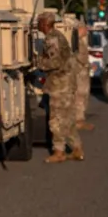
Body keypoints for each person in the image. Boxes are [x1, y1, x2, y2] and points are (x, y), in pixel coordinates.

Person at [34, 11, 82, 162]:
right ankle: (77, 149)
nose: (37, 24)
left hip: (60, 84)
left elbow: (55, 62)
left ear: (45, 24)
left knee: (56, 120)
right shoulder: (58, 35)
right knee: (68, 118)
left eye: (39, 21)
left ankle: (59, 152)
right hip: (66, 82)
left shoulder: (51, 39)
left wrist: (40, 63)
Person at [72, 19, 94, 131]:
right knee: (80, 94)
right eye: (82, 28)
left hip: (83, 68)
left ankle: (80, 119)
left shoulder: (81, 41)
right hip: (79, 69)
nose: (85, 30)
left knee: (84, 94)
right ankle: (78, 120)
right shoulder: (75, 40)